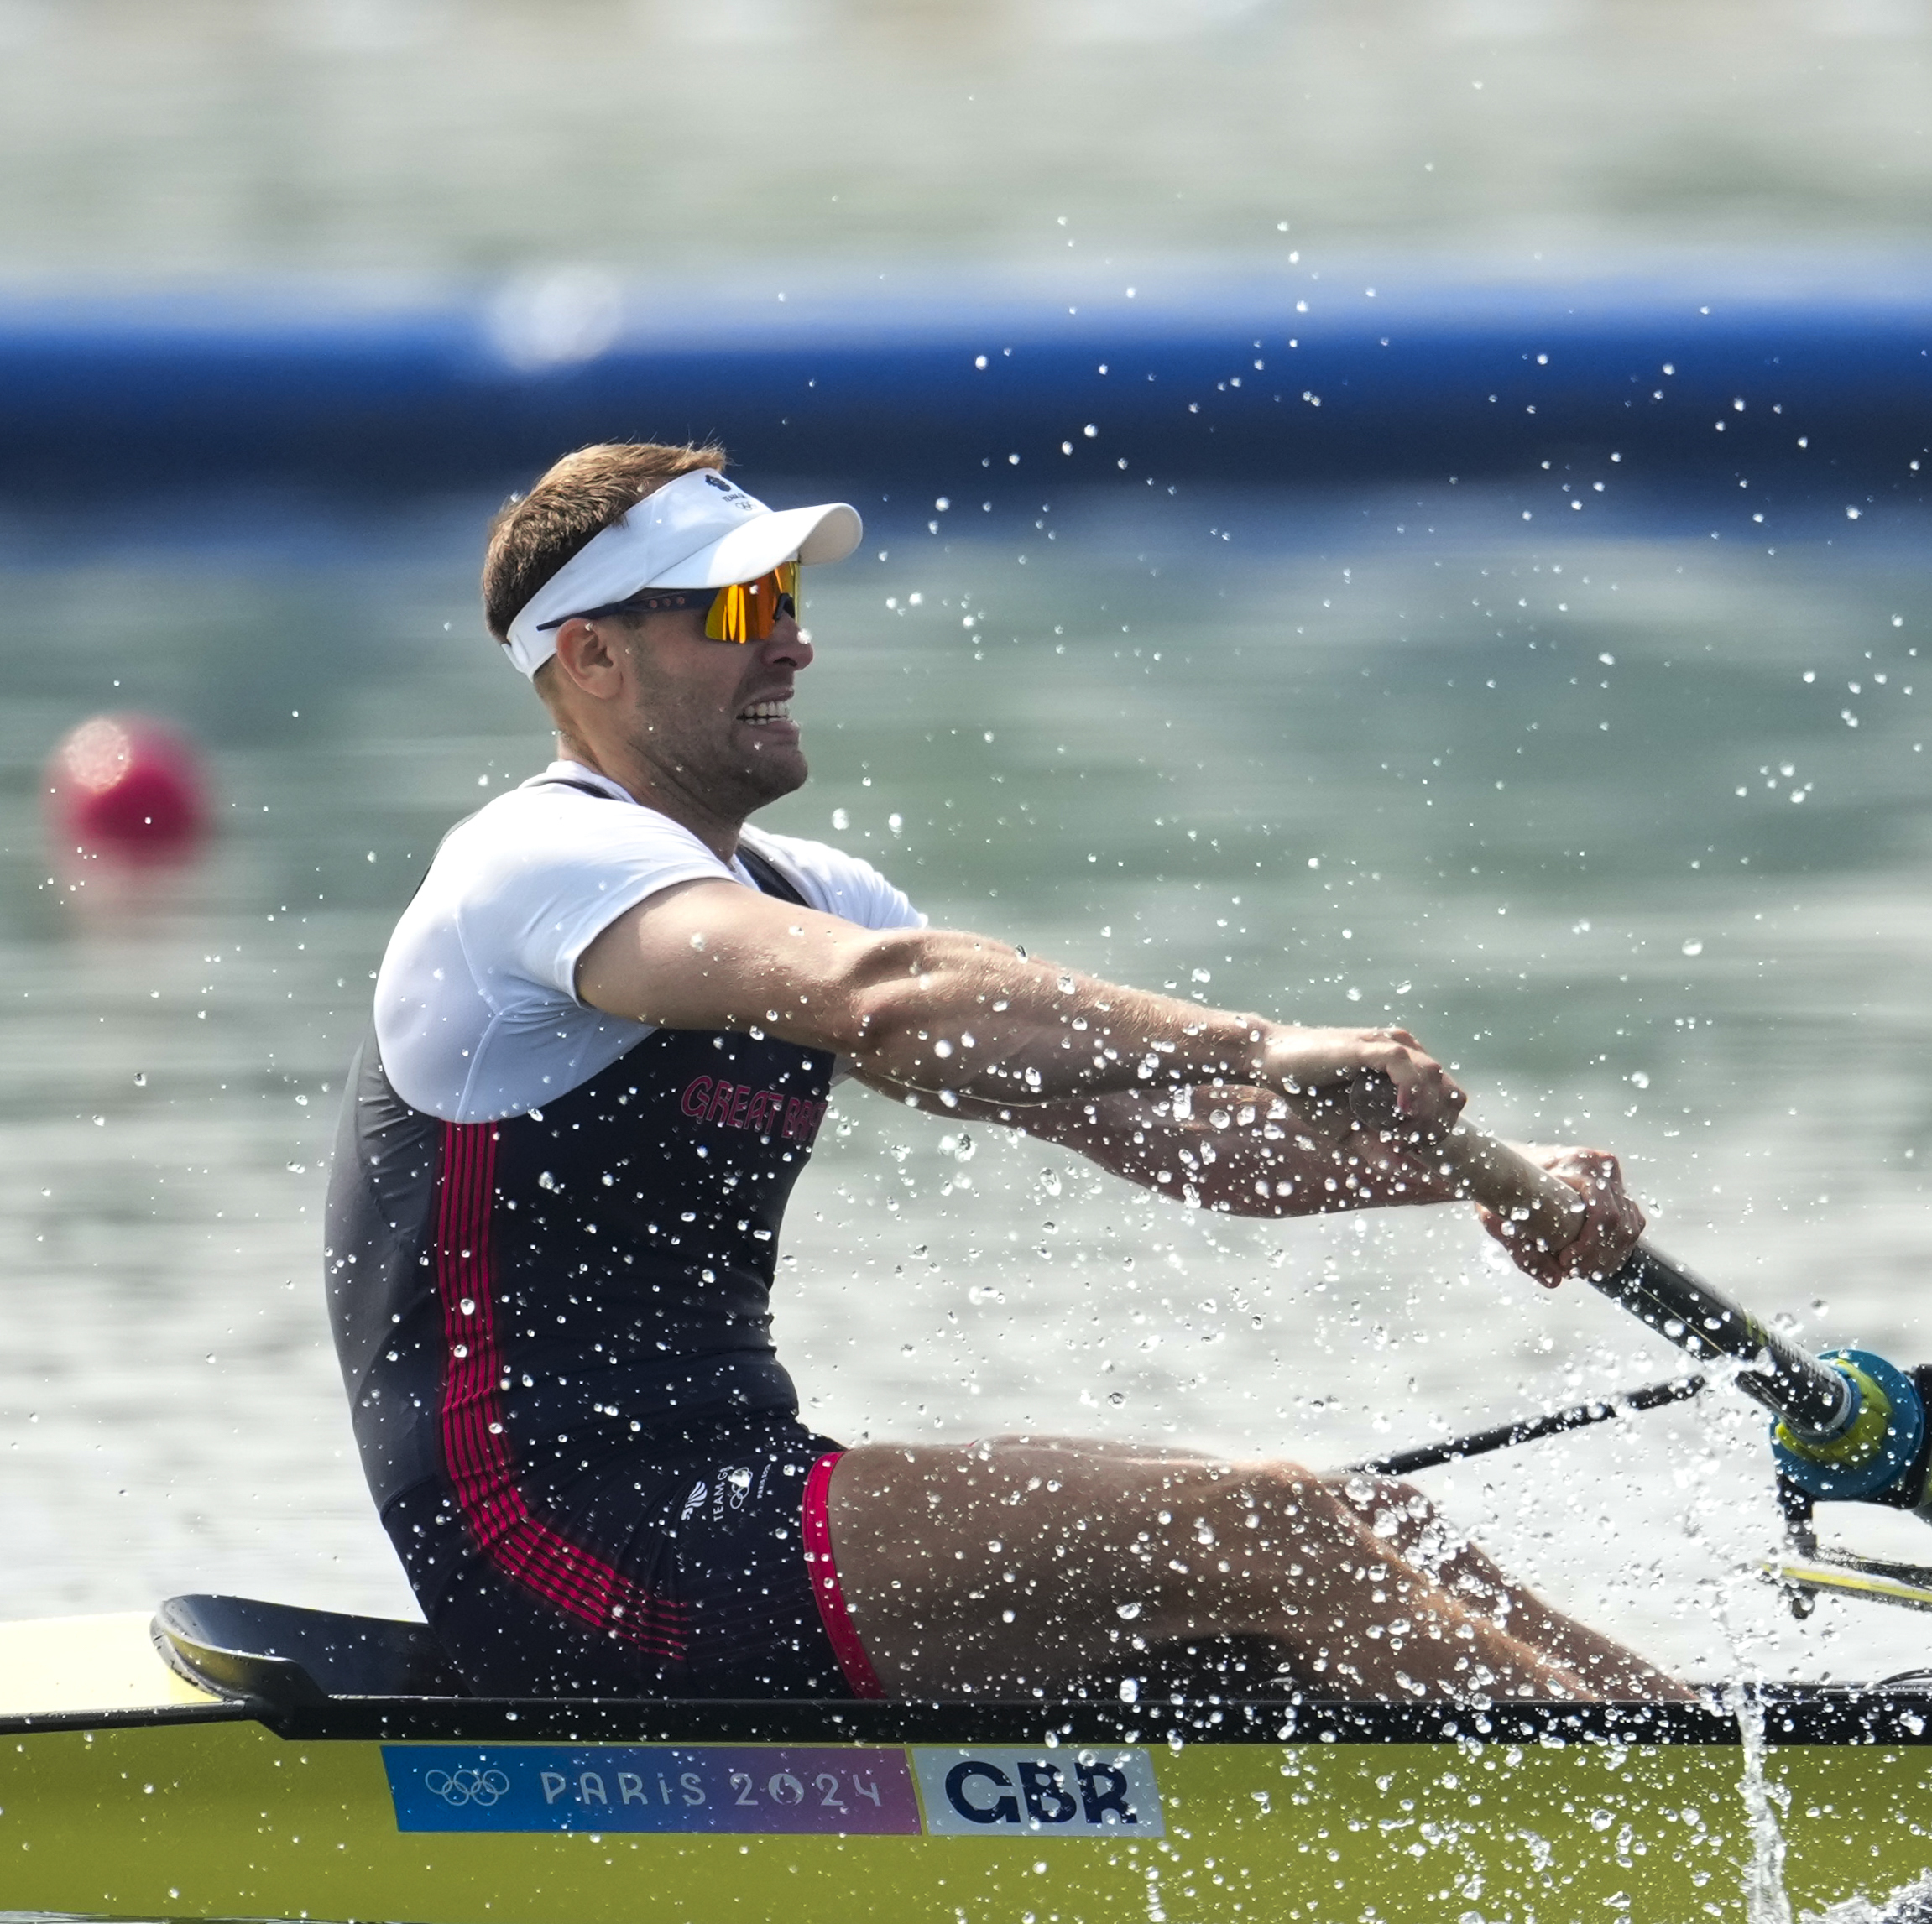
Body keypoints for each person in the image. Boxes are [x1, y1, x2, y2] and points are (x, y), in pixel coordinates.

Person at [326, 442, 1679, 1705]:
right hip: (558, 1545)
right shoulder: (532, 867)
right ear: (593, 656)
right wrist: (1259, 1038)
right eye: (738, 612)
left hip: (739, 1498)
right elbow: (890, 997)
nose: (794, 639)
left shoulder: (811, 891)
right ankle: (1690, 1839)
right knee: (1270, 1522)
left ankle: (1725, 1759)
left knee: (1371, 1518)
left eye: (786, 600)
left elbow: (1181, 1136)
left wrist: (1488, 1181)